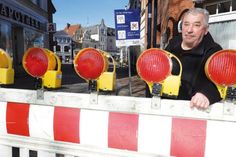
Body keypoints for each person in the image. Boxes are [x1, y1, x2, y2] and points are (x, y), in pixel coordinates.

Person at [165, 8, 222, 109]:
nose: (189, 30)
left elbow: (222, 82)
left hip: (195, 111)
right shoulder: (171, 46)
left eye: (196, 25)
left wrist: (206, 94)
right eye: (186, 24)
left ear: (205, 30)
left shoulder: (214, 52)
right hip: (166, 108)